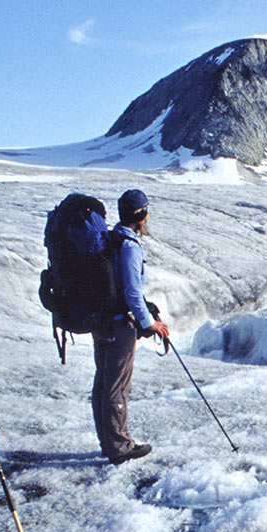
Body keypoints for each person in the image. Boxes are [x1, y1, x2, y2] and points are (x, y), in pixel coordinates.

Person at [92, 188, 170, 464]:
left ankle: (108, 441)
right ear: (143, 215)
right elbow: (132, 293)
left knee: (103, 382)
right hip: (118, 324)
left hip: (100, 321)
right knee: (117, 386)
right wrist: (150, 324)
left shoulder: (110, 240)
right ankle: (120, 446)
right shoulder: (129, 246)